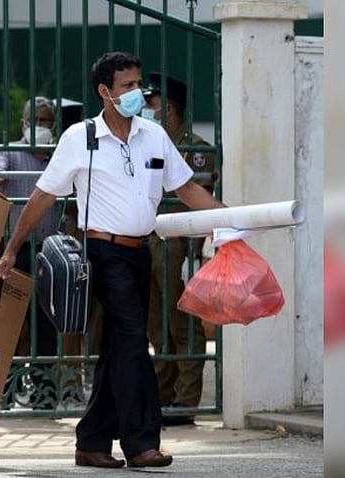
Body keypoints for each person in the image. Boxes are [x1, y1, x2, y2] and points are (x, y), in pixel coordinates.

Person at [0, 52, 224, 469]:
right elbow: (43, 195)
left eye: (140, 85)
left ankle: (92, 441)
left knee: (119, 350)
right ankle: (141, 443)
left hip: (141, 253)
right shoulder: (80, 138)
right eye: (127, 86)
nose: (137, 93)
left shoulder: (153, 137)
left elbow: (187, 188)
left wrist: (223, 220)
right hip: (103, 254)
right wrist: (13, 248)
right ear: (105, 92)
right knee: (135, 344)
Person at [141, 72, 217, 426]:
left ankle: (186, 403)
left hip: (180, 245)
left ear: (168, 109)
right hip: (152, 239)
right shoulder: (152, 145)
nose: (145, 110)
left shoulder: (195, 148)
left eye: (151, 104)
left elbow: (196, 200)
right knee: (157, 326)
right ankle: (163, 396)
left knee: (183, 325)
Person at [0, 96, 64, 410]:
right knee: (9, 321)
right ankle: (2, 393)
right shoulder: (11, 151)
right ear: (24, 123)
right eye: (37, 121)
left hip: (51, 252)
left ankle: (44, 393)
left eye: (46, 122)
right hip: (16, 251)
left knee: (47, 322)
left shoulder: (58, 155)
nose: (41, 127)